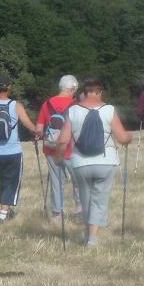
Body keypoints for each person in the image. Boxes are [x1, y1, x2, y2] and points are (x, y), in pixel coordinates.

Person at [58, 78, 132, 246]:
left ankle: (88, 233)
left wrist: (58, 157)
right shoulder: (109, 110)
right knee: (100, 198)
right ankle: (92, 237)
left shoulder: (72, 110)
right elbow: (122, 137)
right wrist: (130, 137)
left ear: (84, 92)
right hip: (106, 161)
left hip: (80, 163)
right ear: (100, 92)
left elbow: (63, 141)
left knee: (85, 199)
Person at [0, 75, 37, 223]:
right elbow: (30, 126)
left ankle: (7, 210)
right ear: (9, 87)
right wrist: (39, 133)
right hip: (13, 152)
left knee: (2, 182)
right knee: (12, 183)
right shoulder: (16, 105)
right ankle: (3, 214)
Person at [36, 75, 80, 225]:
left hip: (51, 148)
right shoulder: (75, 105)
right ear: (73, 88)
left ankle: (56, 214)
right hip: (70, 149)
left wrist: (38, 136)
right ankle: (80, 209)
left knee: (56, 181)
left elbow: (39, 128)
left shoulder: (47, 104)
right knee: (78, 179)